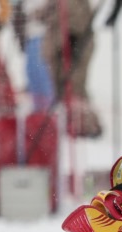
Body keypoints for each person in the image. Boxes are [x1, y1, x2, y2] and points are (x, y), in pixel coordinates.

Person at [40, 0, 100, 137]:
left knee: (75, 89)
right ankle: (73, 123)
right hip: (60, 48)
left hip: (74, 48)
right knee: (63, 90)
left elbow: (76, 20)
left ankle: (87, 125)